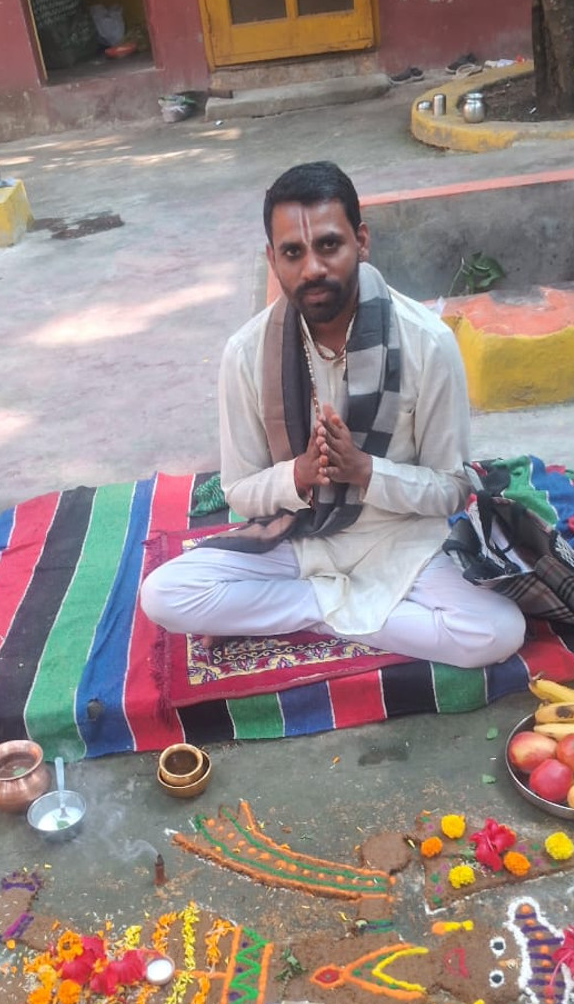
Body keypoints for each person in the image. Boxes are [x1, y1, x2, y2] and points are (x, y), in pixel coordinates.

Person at [140, 161, 525, 667]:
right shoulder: (246, 353)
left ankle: (295, 613)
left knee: (497, 631)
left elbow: (451, 489)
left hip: (400, 540)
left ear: (360, 242)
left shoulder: (427, 342)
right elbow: (239, 491)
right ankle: (337, 609)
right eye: (292, 253)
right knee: (164, 595)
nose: (312, 269)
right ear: (272, 258)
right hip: (298, 538)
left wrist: (365, 471)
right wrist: (299, 475)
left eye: (328, 245)